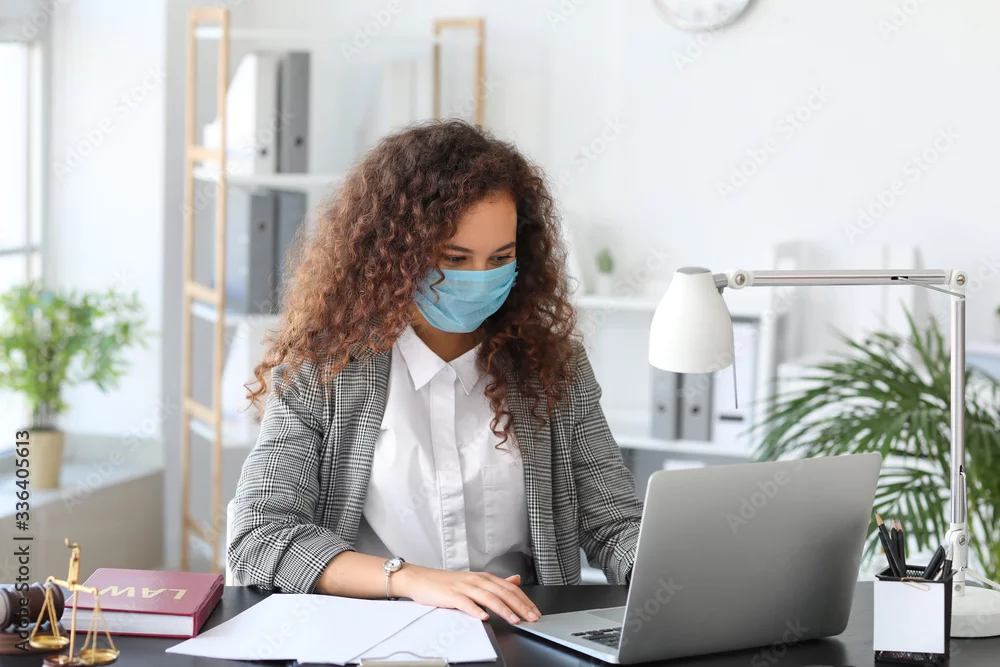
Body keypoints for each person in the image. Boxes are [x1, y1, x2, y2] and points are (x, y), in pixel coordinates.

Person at [228, 119, 642, 625]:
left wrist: (671, 573)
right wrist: (410, 579)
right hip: (372, 631)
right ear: (398, 255)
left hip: (521, 632)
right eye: (455, 258)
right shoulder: (325, 369)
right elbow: (259, 535)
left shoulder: (554, 367)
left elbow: (614, 525)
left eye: (500, 258)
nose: (480, 278)